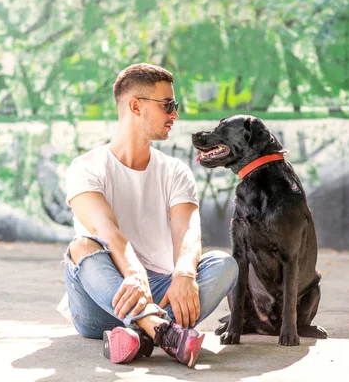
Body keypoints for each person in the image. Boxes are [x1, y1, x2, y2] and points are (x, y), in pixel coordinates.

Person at [62, 63, 238, 368]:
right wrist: (133, 274)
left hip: (161, 289)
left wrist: (184, 272)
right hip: (101, 297)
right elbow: (109, 232)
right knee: (82, 247)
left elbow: (188, 232)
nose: (175, 115)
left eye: (175, 105)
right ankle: (164, 331)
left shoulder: (175, 171)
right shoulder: (86, 167)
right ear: (135, 106)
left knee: (223, 264)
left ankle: (143, 333)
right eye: (168, 105)